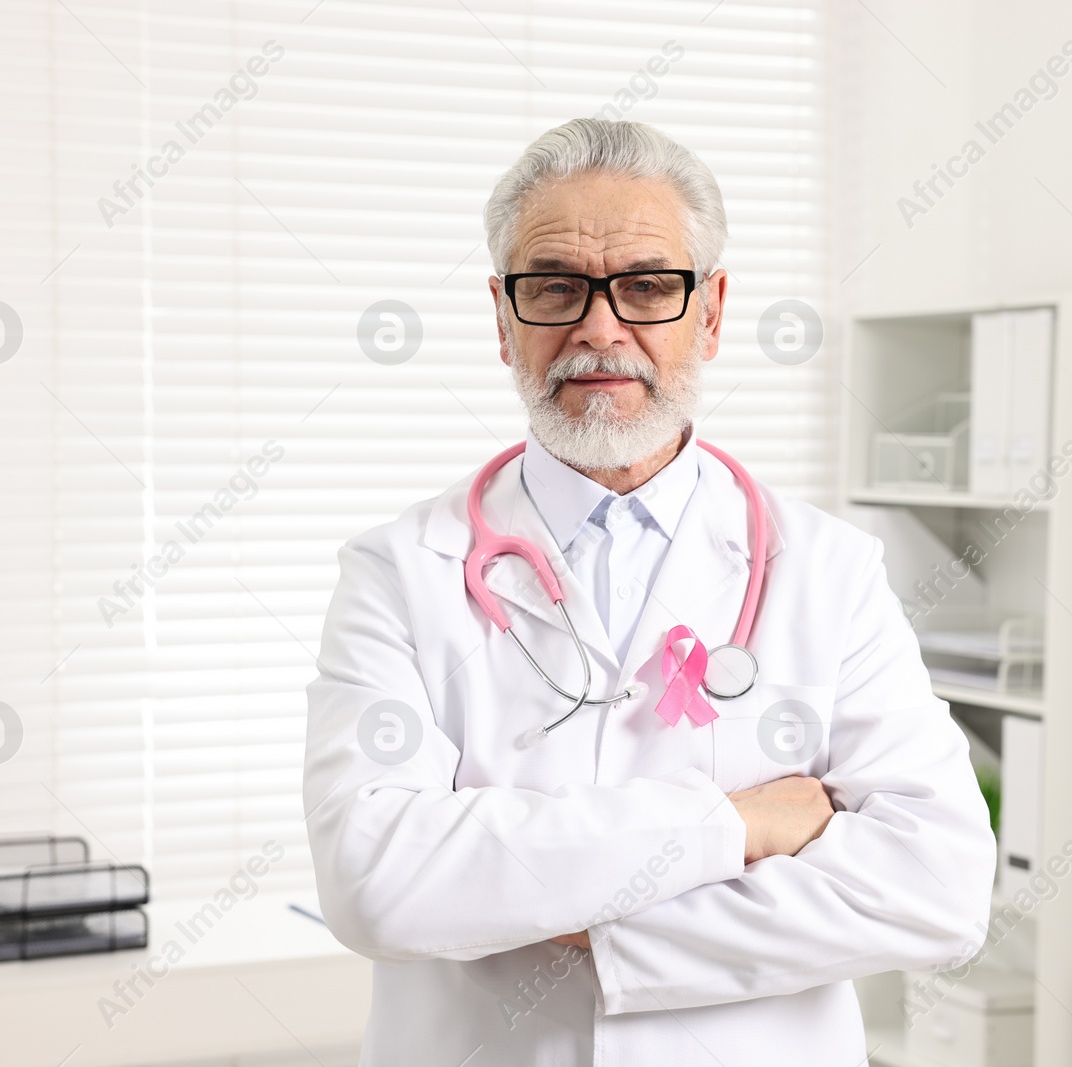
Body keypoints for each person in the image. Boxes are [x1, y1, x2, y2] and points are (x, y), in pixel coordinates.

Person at [303, 117, 995, 1066]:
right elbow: (378, 881)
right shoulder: (399, 570)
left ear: (708, 312)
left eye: (646, 286)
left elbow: (937, 887)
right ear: (504, 321)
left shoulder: (830, 570)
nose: (599, 327)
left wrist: (601, 926)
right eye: (553, 286)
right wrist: (740, 824)